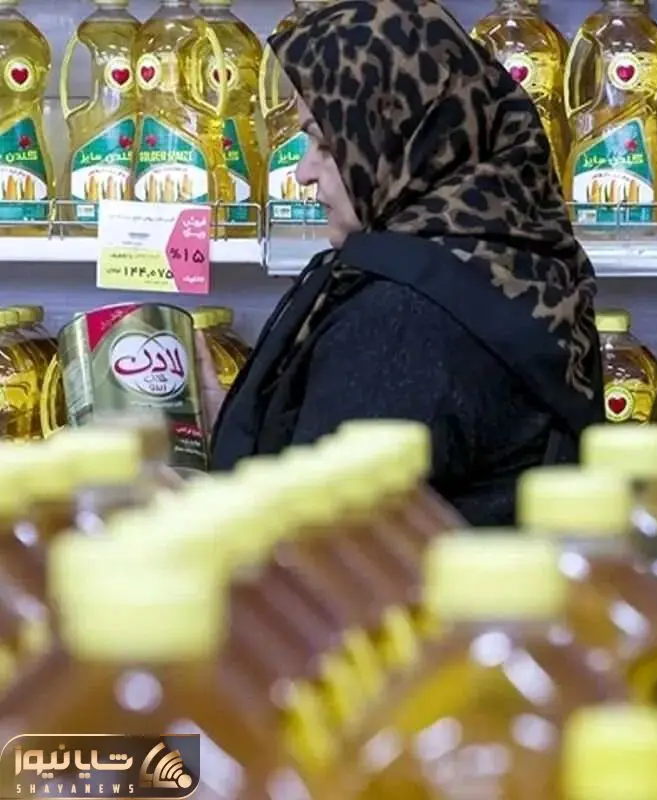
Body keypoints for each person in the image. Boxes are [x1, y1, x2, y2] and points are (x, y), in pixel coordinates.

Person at [196, 0, 605, 525]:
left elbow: (316, 542)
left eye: (324, 144)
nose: (303, 172)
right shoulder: (498, 261)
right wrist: (231, 423)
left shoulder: (404, 320)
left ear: (399, 139)